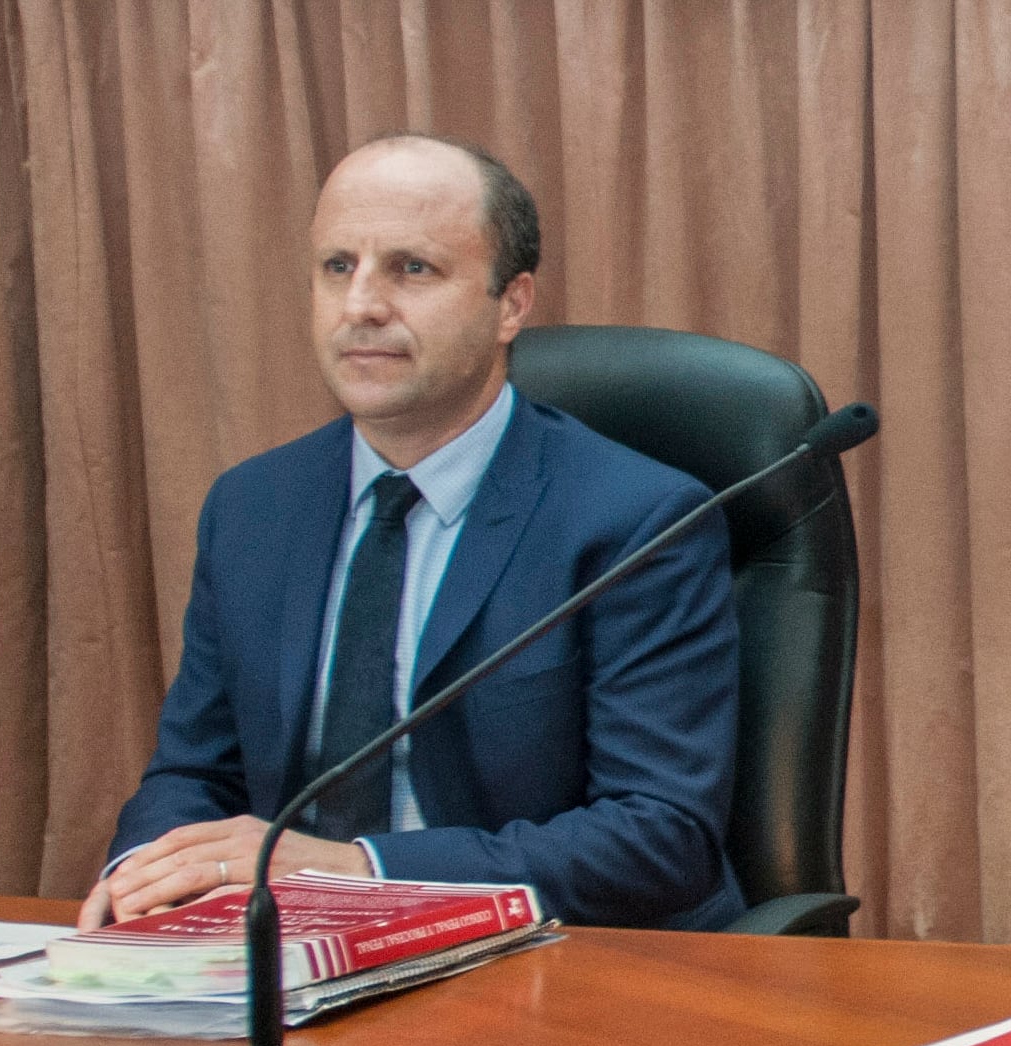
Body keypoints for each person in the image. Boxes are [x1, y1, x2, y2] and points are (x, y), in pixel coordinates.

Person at [81, 133, 745, 933]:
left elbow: (656, 838)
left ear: (512, 304)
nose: (361, 305)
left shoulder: (636, 519)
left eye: (411, 269)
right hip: (291, 964)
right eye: (338, 267)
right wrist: (147, 872)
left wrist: (360, 873)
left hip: (551, 962)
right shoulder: (253, 508)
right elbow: (194, 773)